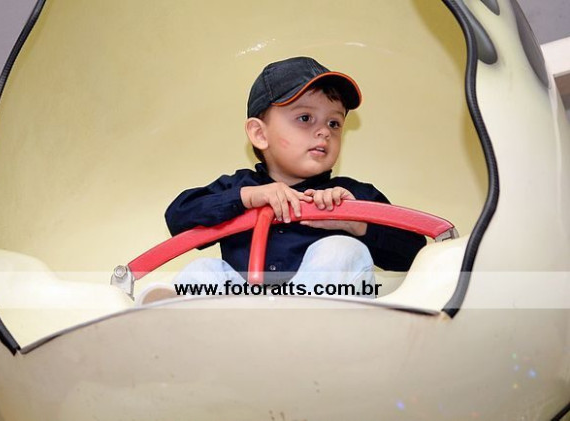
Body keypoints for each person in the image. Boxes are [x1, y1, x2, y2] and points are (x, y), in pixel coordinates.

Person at [136, 56, 425, 305]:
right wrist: (247, 198)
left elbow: (414, 253)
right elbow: (178, 216)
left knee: (343, 250)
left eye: (334, 123)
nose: (324, 132)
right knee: (204, 269)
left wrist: (355, 222)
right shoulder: (241, 187)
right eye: (305, 118)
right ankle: (174, 313)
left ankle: (295, 318)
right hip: (246, 316)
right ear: (260, 134)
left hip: (321, 325)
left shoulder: (351, 194)